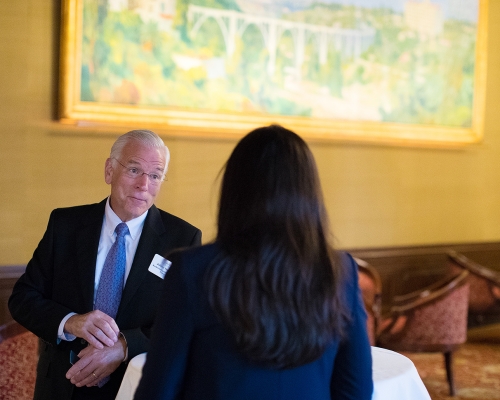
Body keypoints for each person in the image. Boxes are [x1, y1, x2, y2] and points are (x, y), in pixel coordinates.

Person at [134, 125, 373, 400]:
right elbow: (356, 391)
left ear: (234, 189)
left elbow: (159, 391)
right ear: (308, 195)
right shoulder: (339, 271)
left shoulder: (193, 270)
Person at [8, 129, 202, 400]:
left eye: (155, 175)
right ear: (109, 170)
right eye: (134, 170)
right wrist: (71, 322)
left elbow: (186, 322)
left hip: (135, 387)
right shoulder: (65, 225)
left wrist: (123, 346)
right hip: (63, 386)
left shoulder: (183, 238)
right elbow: (22, 299)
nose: (144, 185)